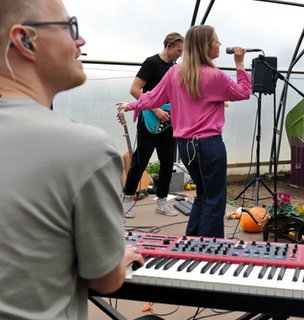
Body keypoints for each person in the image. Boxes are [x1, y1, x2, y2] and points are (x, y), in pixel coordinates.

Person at [0, 1, 145, 318]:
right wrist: (118, 258)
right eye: (70, 27)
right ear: (25, 39)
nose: (81, 41)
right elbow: (104, 278)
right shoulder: (86, 149)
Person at [118, 25, 252, 238]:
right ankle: (210, 251)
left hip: (185, 146)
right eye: (216, 41)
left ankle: (192, 243)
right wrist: (240, 64)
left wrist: (131, 105)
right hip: (209, 145)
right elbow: (244, 92)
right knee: (214, 200)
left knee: (202, 195)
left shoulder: (175, 72)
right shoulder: (214, 75)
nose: (219, 45)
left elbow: (152, 97)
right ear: (206, 46)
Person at [122, 32, 184, 219]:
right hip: (149, 119)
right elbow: (134, 89)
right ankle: (126, 198)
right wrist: (156, 109)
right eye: (178, 50)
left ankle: (162, 201)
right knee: (140, 161)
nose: (180, 54)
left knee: (167, 163)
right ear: (169, 46)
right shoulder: (151, 63)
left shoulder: (175, 68)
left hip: (168, 123)